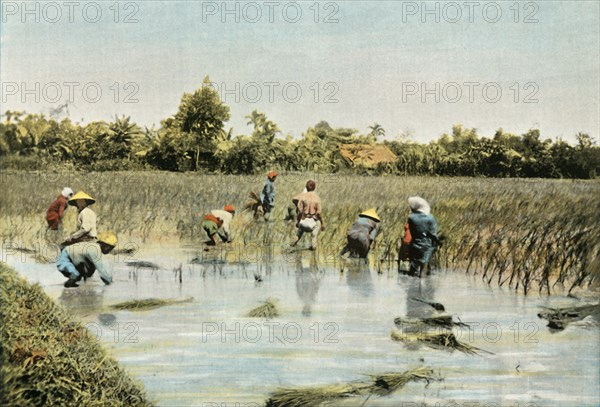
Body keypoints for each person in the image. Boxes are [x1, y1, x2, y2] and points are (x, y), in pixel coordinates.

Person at [406, 196, 439, 277]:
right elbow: (433, 234)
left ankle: (411, 286)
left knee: (413, 267)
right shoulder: (430, 218)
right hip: (427, 246)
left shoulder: (411, 218)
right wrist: (438, 242)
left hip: (415, 244)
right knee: (424, 266)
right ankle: (423, 283)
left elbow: (412, 231)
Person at [291, 180, 324, 250]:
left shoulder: (302, 196)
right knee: (315, 234)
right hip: (312, 223)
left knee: (298, 235)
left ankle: (291, 246)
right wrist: (322, 224)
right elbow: (319, 213)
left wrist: (298, 221)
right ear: (314, 188)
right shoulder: (317, 198)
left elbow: (295, 201)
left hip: (303, 222)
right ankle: (313, 246)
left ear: (306, 187)